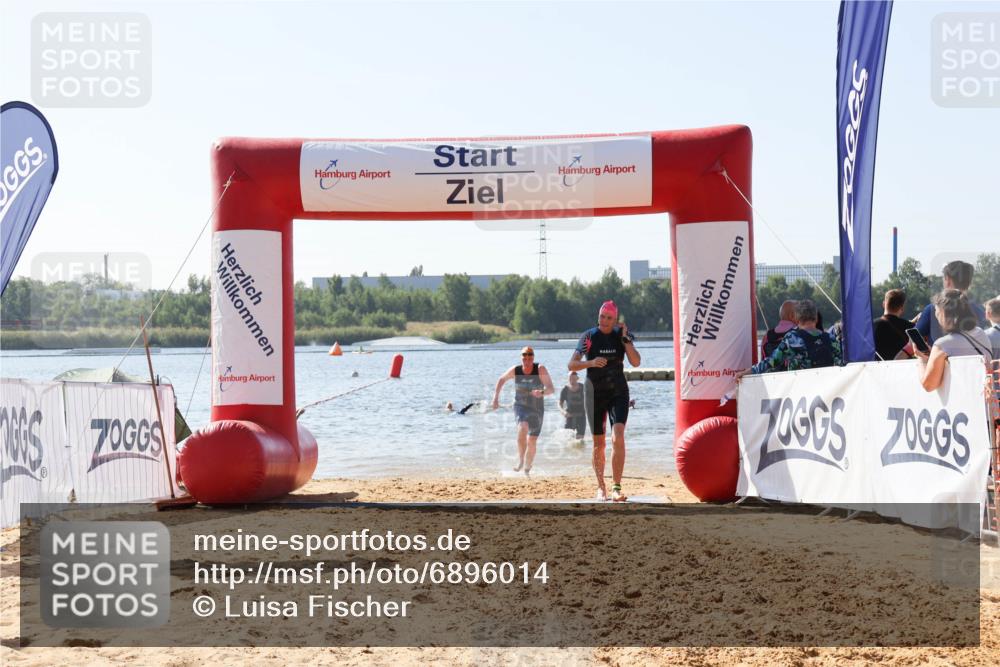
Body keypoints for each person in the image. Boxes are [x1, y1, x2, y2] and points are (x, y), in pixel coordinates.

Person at [568, 300, 641, 502]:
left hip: (618, 392)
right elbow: (571, 364)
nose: (605, 321)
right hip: (594, 394)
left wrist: (626, 340)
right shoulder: (589, 337)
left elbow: (636, 362)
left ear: (615, 320)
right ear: (598, 316)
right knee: (598, 444)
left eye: (609, 318)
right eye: (602, 316)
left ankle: (616, 488)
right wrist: (591, 362)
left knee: (618, 436)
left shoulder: (621, 335)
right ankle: (601, 487)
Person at [915, 291, 994, 418]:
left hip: (964, 415)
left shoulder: (942, 345)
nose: (935, 315)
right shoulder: (981, 333)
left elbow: (928, 385)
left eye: (937, 311)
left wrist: (921, 359)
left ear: (944, 313)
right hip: (987, 411)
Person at [735, 299, 843, 377]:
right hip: (827, 393)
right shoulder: (830, 339)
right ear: (816, 318)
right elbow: (841, 365)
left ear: (797, 318)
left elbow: (771, 362)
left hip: (800, 394)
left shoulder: (792, 338)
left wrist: (747, 372)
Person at [491, 346, 554, 476]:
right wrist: (495, 398)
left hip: (537, 409)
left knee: (532, 440)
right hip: (521, 406)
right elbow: (501, 380)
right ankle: (520, 460)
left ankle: (527, 468)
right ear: (521, 357)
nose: (527, 358)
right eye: (524, 356)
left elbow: (551, 389)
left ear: (533, 357)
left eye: (530, 355)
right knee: (522, 427)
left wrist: (541, 392)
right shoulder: (516, 370)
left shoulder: (540, 369)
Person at [914, 260, 986, 346]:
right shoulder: (982, 310)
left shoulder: (934, 308)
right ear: (970, 282)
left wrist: (916, 322)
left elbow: (913, 339)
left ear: (947, 280)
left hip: (938, 354)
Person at [873, 289, 912, 361]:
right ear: (902, 308)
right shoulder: (910, 328)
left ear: (883, 304)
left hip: (876, 367)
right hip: (902, 367)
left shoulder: (871, 326)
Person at [559, 371, 587, 440]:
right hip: (569, 416)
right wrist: (563, 412)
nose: (572, 381)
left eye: (574, 379)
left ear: (577, 378)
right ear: (568, 379)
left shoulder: (583, 387)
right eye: (570, 379)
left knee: (580, 440)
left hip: (581, 416)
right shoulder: (565, 389)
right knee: (568, 439)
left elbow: (590, 400)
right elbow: (559, 403)